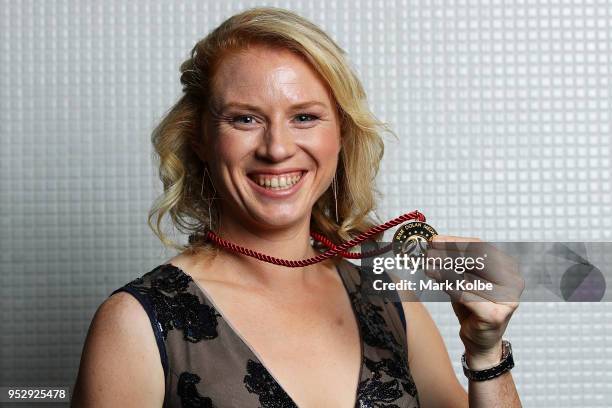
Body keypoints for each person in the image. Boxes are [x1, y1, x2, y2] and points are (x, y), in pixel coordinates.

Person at [72, 7, 523, 407]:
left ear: (341, 135)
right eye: (245, 119)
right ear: (200, 139)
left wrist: (486, 352)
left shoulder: (390, 299)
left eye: (304, 116)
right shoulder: (135, 323)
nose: (277, 148)